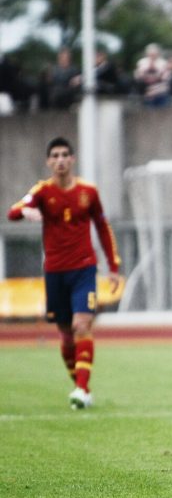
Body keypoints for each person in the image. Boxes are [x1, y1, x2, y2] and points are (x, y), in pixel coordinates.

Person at [7, 137, 121, 410]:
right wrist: (26, 211)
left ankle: (81, 389)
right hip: (55, 272)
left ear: (72, 159)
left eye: (64, 155)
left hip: (84, 269)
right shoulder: (42, 192)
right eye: (55, 156)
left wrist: (113, 266)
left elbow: (103, 228)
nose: (60, 160)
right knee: (66, 335)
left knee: (82, 325)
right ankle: (82, 386)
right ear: (49, 161)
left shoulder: (88, 192)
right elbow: (12, 212)